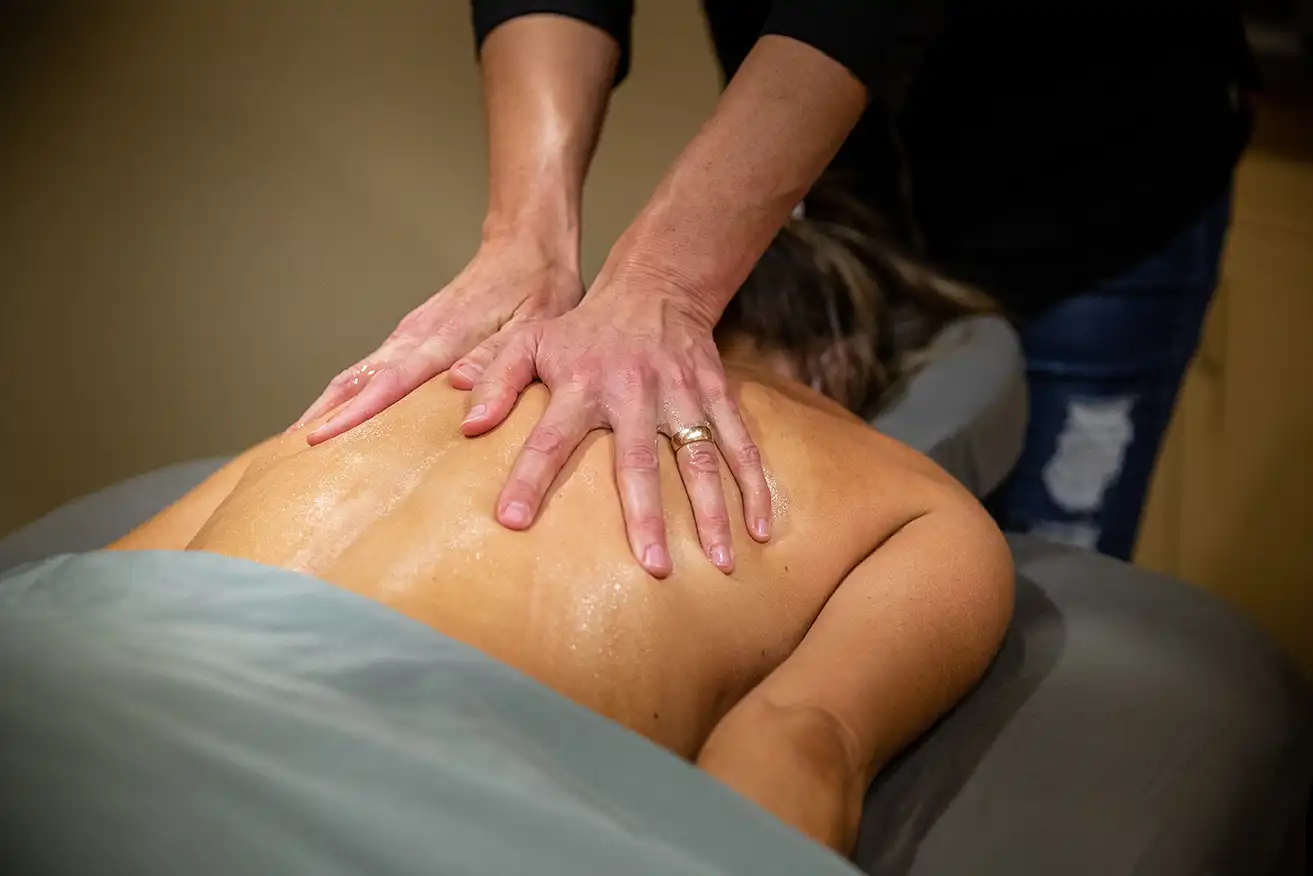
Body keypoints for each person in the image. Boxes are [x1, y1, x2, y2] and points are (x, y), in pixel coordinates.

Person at [108, 193, 1015, 854]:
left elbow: (102, 597)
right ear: (843, 359)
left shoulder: (401, 389)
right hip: (362, 805)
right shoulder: (911, 504)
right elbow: (793, 751)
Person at [293, 2, 1255, 568]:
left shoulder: (928, 557)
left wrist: (665, 278)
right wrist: (523, 238)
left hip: (1094, 168)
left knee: (1044, 569)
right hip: (849, 175)